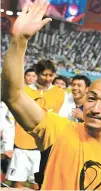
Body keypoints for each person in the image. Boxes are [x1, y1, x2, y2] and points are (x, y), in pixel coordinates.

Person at [1, 0, 101, 189]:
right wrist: (19, 41)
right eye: (91, 99)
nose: (95, 108)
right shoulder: (58, 130)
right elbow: (13, 96)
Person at [6, 59, 65, 189]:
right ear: (37, 73)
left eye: (51, 75)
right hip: (22, 145)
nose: (48, 78)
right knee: (18, 184)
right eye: (44, 74)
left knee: (38, 184)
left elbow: (63, 120)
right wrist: (8, 145)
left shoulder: (60, 93)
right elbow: (11, 119)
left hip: (45, 147)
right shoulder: (23, 91)